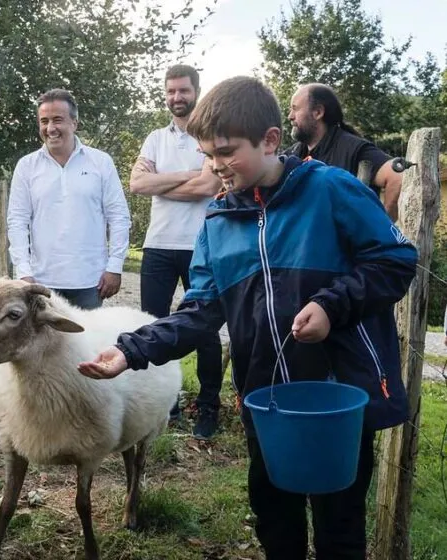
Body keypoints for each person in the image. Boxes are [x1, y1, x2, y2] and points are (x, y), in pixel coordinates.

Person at [79, 76, 417, 560]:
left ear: (271, 140)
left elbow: (395, 259)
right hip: (266, 402)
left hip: (335, 398)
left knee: (339, 527)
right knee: (275, 521)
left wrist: (330, 304)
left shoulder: (330, 189)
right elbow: (198, 313)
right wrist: (131, 350)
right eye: (207, 155)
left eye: (226, 152)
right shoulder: (216, 224)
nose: (215, 166)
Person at [129, 64, 223, 438]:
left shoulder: (208, 135)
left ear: (196, 91)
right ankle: (165, 404)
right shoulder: (155, 138)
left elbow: (208, 187)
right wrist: (189, 175)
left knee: (206, 329)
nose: (176, 98)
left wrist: (161, 183)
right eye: (170, 91)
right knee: (151, 324)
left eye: (183, 90)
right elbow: (137, 183)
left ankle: (209, 406)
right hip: (158, 244)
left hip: (201, 243)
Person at [7, 88, 131, 309]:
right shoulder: (27, 166)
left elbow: (119, 217)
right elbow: (17, 221)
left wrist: (115, 267)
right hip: (41, 283)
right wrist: (23, 273)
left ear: (74, 123)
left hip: (90, 283)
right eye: (44, 121)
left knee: (87, 344)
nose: (50, 128)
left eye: (58, 120)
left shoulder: (101, 162)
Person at [286, 83, 402, 221]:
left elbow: (397, 177)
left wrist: (383, 229)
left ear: (318, 112)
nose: (290, 116)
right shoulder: (292, 154)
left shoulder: (353, 148)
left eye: (295, 109)